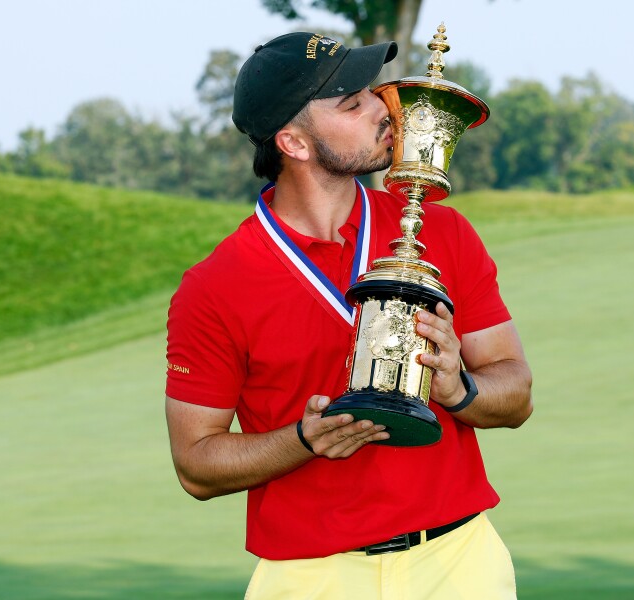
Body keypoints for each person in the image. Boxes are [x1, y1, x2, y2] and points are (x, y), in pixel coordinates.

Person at [165, 31, 533, 600]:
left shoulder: (444, 231)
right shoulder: (215, 286)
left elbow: (517, 395)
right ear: (294, 142)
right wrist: (302, 439)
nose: (383, 109)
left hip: (459, 563)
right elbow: (196, 465)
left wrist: (460, 388)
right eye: (351, 103)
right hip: (312, 577)